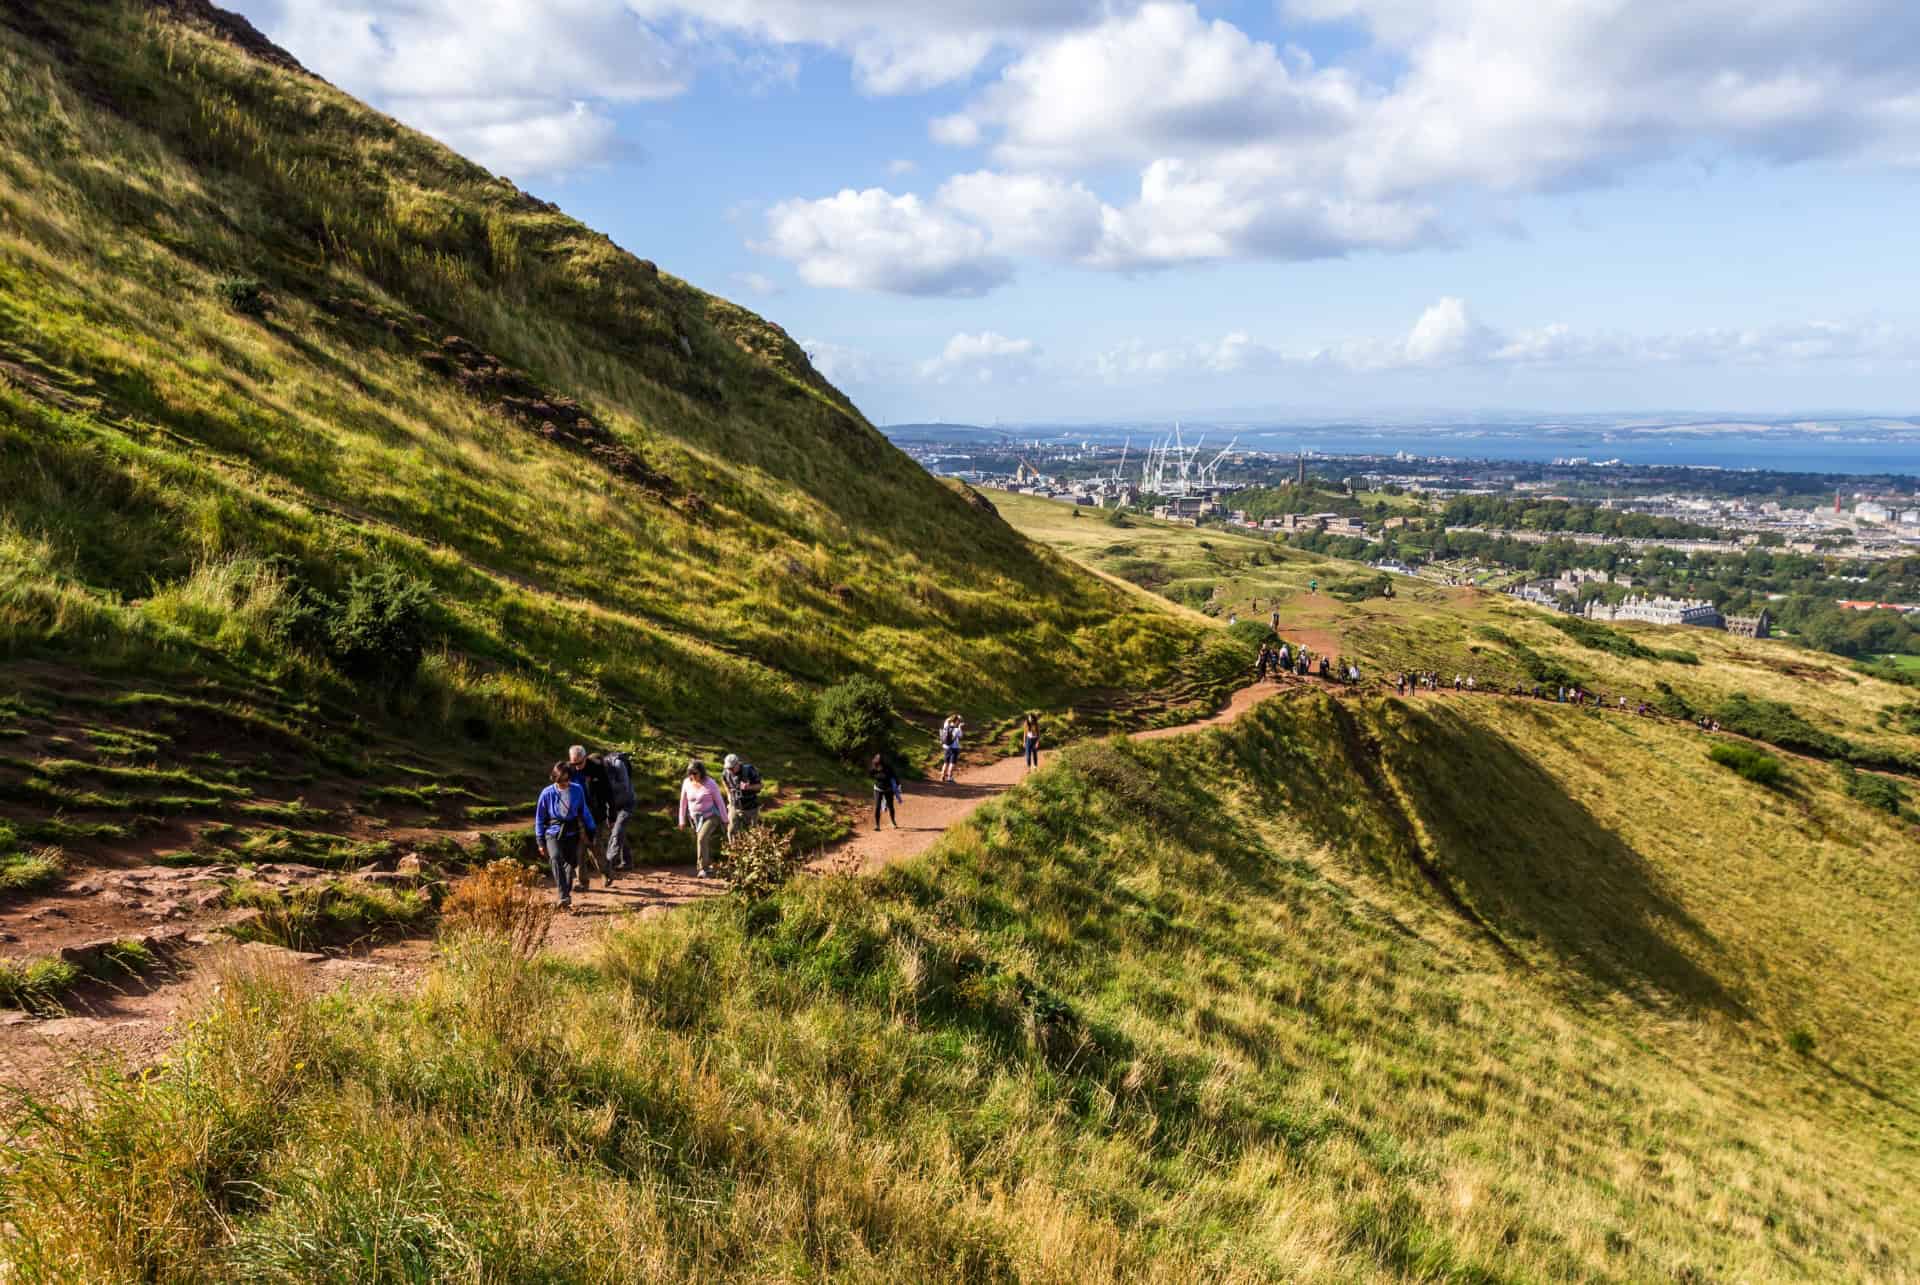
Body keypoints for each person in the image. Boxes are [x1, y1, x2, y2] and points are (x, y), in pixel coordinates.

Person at [535, 761, 595, 912]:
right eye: (560, 780)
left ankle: (565, 895)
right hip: (553, 832)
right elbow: (540, 818)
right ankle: (563, 896)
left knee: (570, 864)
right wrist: (540, 841)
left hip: (572, 832)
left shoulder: (577, 790)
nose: (564, 783)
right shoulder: (547, 793)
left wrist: (591, 829)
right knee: (555, 858)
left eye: (567, 780)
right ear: (555, 778)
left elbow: (584, 811)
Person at [567, 745, 614, 889]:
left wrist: (611, 815)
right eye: (574, 763)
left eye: (579, 763)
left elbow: (608, 792)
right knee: (578, 851)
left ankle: (607, 872)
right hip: (576, 816)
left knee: (595, 848)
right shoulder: (568, 770)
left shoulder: (597, 769)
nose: (577, 767)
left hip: (595, 815)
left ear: (585, 758)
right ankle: (582, 882)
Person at [677, 759, 729, 879]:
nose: (692, 776)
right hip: (695, 818)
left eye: (695, 773)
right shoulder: (687, 782)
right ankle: (708, 864)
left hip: (711, 816)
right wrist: (681, 820)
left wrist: (725, 820)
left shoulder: (711, 783)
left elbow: (720, 802)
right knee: (702, 841)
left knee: (701, 838)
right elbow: (683, 803)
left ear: (701, 772)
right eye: (690, 773)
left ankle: (702, 869)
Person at [598, 748, 638, 872]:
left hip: (627, 803)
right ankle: (627, 862)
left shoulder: (618, 764)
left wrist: (607, 785)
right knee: (618, 832)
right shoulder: (599, 771)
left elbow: (624, 786)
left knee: (617, 831)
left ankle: (609, 862)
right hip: (612, 806)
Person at [721, 752, 763, 837]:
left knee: (752, 833)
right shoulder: (726, 773)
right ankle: (733, 849)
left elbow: (760, 786)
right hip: (734, 806)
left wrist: (749, 787)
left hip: (750, 807)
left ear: (738, 764)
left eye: (732, 768)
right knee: (731, 831)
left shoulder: (749, 770)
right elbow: (725, 782)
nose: (730, 770)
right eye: (728, 768)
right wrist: (729, 794)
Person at [870, 752, 901, 829]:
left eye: (879, 764)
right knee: (877, 807)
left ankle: (893, 822)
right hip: (878, 789)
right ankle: (877, 825)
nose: (878, 766)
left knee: (891, 806)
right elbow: (870, 775)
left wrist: (897, 786)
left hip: (888, 789)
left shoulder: (888, 768)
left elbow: (895, 777)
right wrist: (877, 773)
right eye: (877, 764)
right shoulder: (874, 767)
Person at [938, 714, 964, 784]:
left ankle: (942, 776)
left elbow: (947, 719)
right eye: (958, 721)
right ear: (957, 721)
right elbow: (961, 736)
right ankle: (949, 778)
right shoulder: (957, 729)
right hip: (954, 748)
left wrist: (954, 716)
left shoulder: (946, 725)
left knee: (946, 762)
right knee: (952, 763)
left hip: (946, 747)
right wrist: (960, 727)